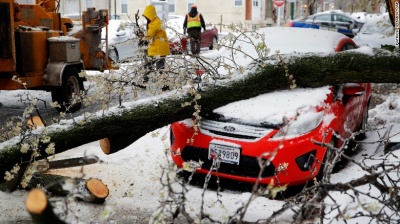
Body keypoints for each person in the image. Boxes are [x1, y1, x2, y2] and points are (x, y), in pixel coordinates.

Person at [138, 5, 170, 90]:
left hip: (159, 49)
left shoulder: (156, 23)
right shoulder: (154, 22)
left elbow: (149, 36)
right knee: (150, 65)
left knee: (158, 67)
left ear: (150, 15)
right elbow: (149, 35)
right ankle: (145, 82)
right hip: (156, 47)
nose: (146, 18)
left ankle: (165, 84)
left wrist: (143, 39)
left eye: (147, 16)